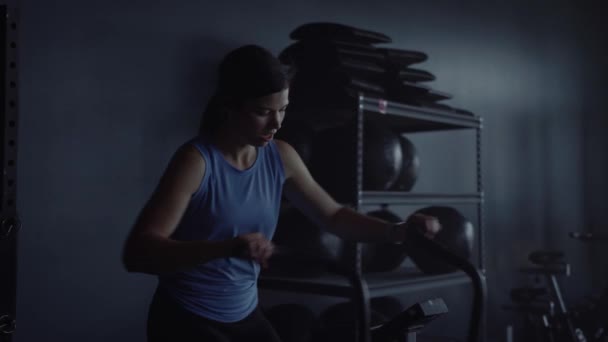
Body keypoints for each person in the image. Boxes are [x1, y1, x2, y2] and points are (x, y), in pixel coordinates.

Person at [122, 44, 441, 342]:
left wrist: (398, 232)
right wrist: (224, 248)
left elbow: (334, 216)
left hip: (244, 313)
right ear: (230, 106)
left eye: (283, 109)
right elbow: (139, 253)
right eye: (263, 111)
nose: (276, 123)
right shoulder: (196, 162)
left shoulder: (280, 155)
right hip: (187, 317)